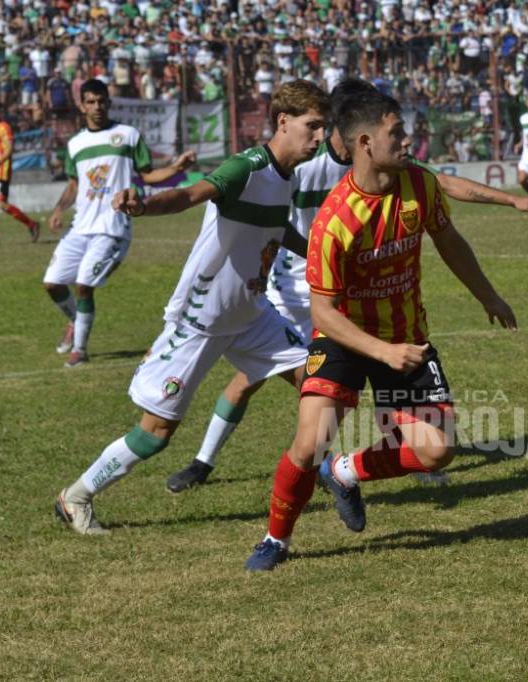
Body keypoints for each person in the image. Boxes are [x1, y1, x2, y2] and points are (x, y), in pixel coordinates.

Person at [164, 78, 528, 494]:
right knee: (255, 379)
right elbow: (264, 204)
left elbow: (441, 182)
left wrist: (511, 200)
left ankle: (379, 459)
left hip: (349, 295)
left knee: (370, 373)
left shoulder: (379, 161)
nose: (318, 133)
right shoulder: (304, 164)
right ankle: (207, 461)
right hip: (294, 290)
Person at [243, 86, 517, 572]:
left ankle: (344, 471)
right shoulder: (334, 221)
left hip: (405, 335)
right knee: (308, 444)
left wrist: (488, 295)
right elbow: (323, 314)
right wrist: (382, 352)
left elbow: (448, 239)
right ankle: (275, 539)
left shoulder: (420, 184)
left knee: (437, 451)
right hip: (344, 338)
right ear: (366, 142)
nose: (408, 139)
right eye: (398, 132)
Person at [53, 80, 331, 536]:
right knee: (154, 434)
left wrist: (323, 253)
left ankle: (328, 472)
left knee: (319, 384)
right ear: (284, 121)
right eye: (313, 126)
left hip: (251, 315)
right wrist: (142, 206)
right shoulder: (246, 167)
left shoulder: (288, 175)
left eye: (324, 127)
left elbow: (277, 228)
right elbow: (189, 195)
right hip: (202, 319)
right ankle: (76, 496)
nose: (320, 137)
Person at [42, 79, 196, 368]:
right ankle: (76, 321)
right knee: (52, 284)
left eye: (101, 101)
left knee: (84, 285)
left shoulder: (127, 135)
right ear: (82, 106)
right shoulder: (75, 144)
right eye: (91, 102)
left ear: (109, 103)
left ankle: (80, 350)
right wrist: (59, 209)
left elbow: (147, 175)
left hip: (112, 228)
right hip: (80, 227)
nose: (97, 107)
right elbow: (74, 184)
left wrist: (176, 167)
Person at [0, 102, 40, 247]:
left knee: (2, 204)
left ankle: (32, 224)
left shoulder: (4, 127)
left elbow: (9, 149)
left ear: (0, 113)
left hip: (2, 172)